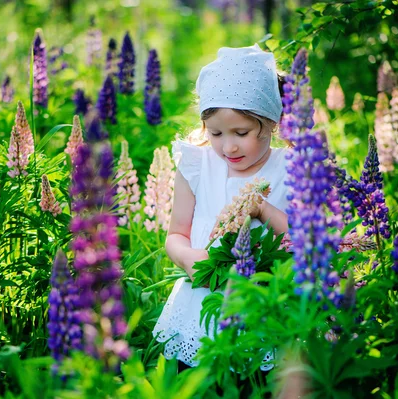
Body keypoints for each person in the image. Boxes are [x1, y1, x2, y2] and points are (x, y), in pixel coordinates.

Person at [152, 44, 291, 371]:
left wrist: (263, 209)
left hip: (267, 305)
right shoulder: (198, 165)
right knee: (201, 383)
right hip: (203, 305)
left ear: (272, 122)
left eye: (241, 133)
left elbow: (305, 238)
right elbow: (175, 234)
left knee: (259, 385)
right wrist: (187, 257)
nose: (228, 146)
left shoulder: (290, 168)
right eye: (215, 133)